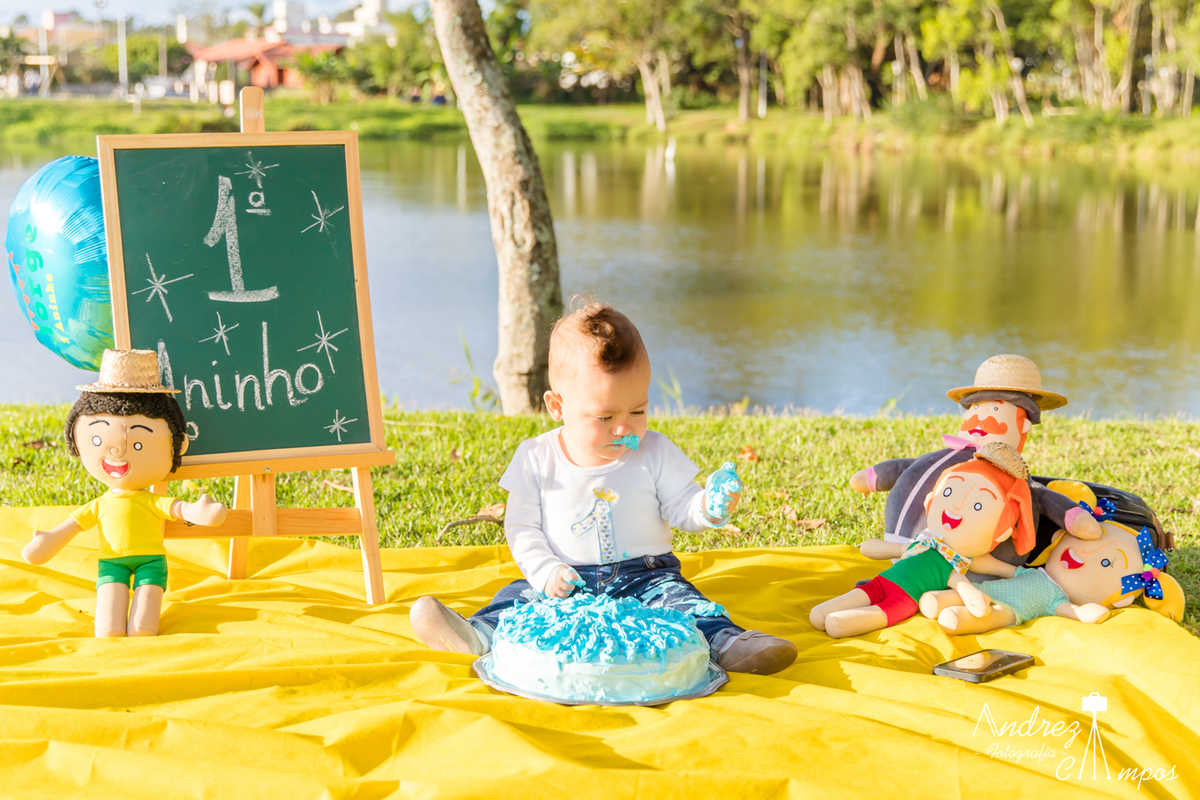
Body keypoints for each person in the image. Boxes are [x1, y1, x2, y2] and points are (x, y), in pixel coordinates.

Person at [410, 302, 797, 674]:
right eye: (605, 416)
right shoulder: (536, 457)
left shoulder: (654, 451)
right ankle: (476, 635)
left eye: (638, 411)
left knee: (685, 605)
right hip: (565, 576)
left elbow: (682, 505)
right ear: (557, 406)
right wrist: (545, 572)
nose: (624, 428)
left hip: (647, 575)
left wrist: (708, 507)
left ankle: (729, 643)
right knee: (517, 601)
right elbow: (522, 528)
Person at [21, 349, 228, 637]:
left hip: (151, 563)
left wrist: (198, 511)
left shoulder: (151, 500)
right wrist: (50, 540)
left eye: (139, 444)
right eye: (97, 438)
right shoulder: (100, 504)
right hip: (110, 565)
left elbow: (177, 509)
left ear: (176, 447)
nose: (118, 452)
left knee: (143, 627)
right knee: (107, 628)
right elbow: (73, 525)